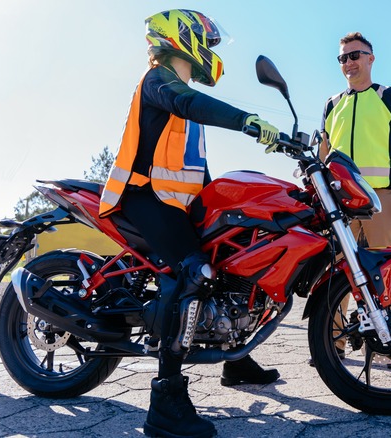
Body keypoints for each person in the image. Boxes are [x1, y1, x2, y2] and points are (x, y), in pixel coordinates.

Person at [99, 10, 280, 438]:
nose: (212, 53)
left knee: (231, 253)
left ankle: (235, 360)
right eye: (209, 43)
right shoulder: (160, 81)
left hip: (173, 204)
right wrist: (246, 120)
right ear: (183, 40)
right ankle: (165, 403)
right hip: (140, 197)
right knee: (196, 272)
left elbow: (192, 171)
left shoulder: (181, 96)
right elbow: (188, 102)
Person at [315, 32, 391, 364]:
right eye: (343, 58)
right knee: (335, 273)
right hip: (339, 201)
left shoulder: (390, 97)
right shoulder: (332, 104)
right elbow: (323, 154)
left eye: (355, 56)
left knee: (388, 271)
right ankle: (333, 346)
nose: (349, 63)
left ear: (371, 59)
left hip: (382, 198)